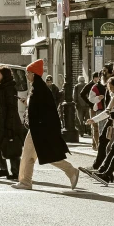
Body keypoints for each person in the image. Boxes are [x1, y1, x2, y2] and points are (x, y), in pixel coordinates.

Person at [12, 59, 79, 191]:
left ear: (34, 74)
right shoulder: (39, 88)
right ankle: (70, 171)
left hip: (39, 128)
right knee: (43, 154)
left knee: (33, 154)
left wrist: (29, 105)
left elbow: (40, 109)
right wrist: (28, 103)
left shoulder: (39, 89)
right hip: (40, 128)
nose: (27, 75)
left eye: (28, 73)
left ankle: (26, 181)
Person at [79, 76, 114, 179]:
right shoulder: (113, 95)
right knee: (113, 148)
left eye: (108, 85)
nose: (107, 87)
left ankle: (105, 172)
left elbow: (109, 112)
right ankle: (106, 173)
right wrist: (94, 119)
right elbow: (107, 112)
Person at [0, 65, 24, 180]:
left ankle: (16, 171)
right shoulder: (0, 86)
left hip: (9, 122)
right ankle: (3, 168)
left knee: (11, 145)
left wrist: (9, 125)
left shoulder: (9, 88)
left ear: (4, 75)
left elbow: (11, 107)